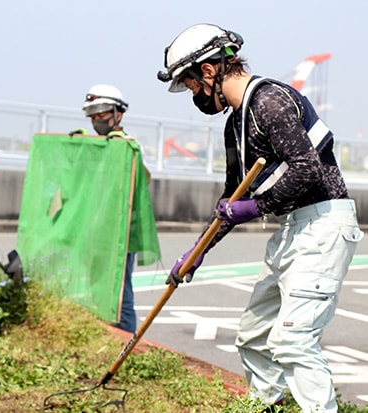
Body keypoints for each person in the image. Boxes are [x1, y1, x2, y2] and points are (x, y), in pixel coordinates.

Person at [158, 24, 363, 413]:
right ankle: (264, 404)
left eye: (189, 85)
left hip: (322, 224)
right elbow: (230, 198)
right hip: (290, 228)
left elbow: (308, 170)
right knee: (253, 336)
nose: (193, 96)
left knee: (293, 340)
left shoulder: (269, 101)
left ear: (208, 71)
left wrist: (254, 207)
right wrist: (197, 250)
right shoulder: (236, 122)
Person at [74, 84, 152, 333]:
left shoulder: (128, 146)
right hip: (95, 231)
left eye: (102, 114)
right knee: (98, 288)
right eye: (93, 116)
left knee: (119, 292)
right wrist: (78, 147)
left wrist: (123, 150)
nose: (97, 120)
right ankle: (104, 337)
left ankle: (126, 344)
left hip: (119, 233)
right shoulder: (96, 147)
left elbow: (144, 178)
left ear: (118, 113)